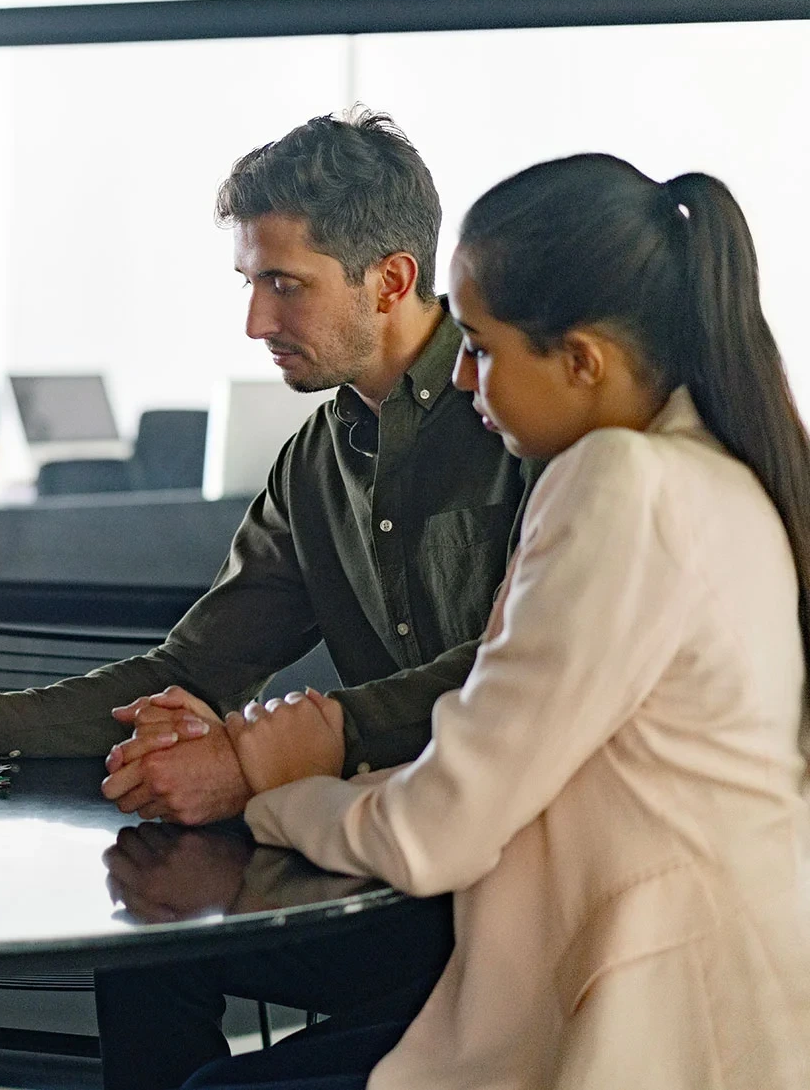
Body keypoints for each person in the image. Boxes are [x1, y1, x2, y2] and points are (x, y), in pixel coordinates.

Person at [0, 110, 532, 1086]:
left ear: (393, 281)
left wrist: (256, 753)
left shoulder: (521, 425)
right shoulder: (314, 465)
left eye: (286, 285)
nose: (256, 322)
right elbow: (193, 668)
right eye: (251, 284)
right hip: (396, 887)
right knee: (146, 937)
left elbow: (506, 676)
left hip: (521, 902)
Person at [190, 155, 810, 1089]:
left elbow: (437, 830)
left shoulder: (616, 484)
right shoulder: (717, 475)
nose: (468, 381)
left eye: (480, 347)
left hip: (655, 1029)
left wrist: (278, 786)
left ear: (582, 360)